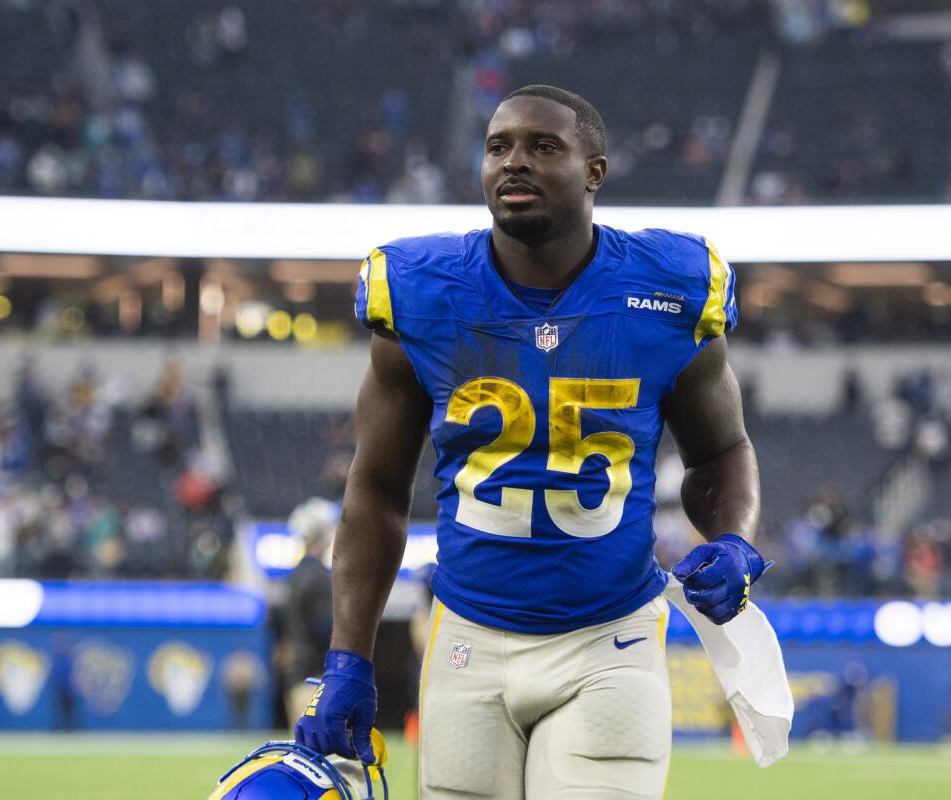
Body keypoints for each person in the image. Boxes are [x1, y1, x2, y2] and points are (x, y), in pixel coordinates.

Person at [295, 84, 770, 798]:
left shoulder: (668, 289)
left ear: (594, 172)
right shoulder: (422, 290)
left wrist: (734, 538)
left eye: (543, 147)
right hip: (467, 640)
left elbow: (723, 452)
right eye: (498, 147)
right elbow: (376, 488)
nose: (514, 162)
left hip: (609, 640)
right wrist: (347, 661)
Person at [283, 498, 336, 725]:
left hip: (297, 676)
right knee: (321, 755)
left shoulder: (296, 575)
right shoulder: (317, 577)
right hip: (314, 678)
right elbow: (324, 629)